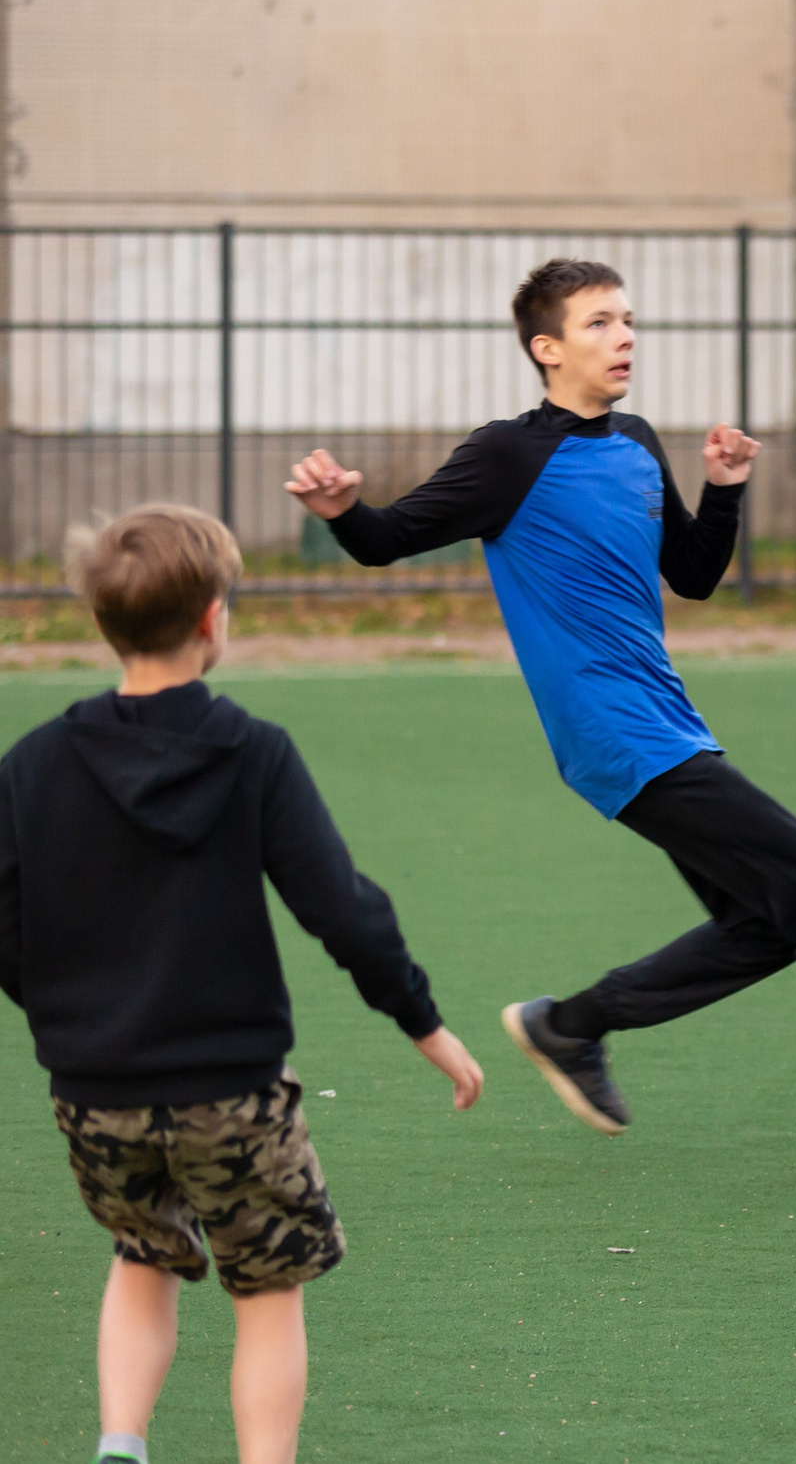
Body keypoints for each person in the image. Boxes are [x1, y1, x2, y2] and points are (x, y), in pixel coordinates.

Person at [283, 258, 796, 1181]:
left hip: (668, 722)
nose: (623, 337)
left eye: (627, 319)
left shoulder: (639, 442)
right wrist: (343, 511)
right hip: (619, 735)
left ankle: (569, 1026)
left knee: (771, 922)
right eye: (598, 323)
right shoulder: (507, 455)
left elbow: (691, 574)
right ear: (547, 349)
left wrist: (726, 487)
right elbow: (385, 539)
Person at [0, 505, 483, 1464]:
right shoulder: (254, 754)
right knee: (265, 1293)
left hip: (96, 1093)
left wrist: (63, 1009)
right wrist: (427, 1026)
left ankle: (120, 1445)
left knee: (143, 1257)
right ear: (216, 617)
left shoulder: (36, 763)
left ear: (103, 621)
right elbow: (343, 910)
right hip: (234, 1093)